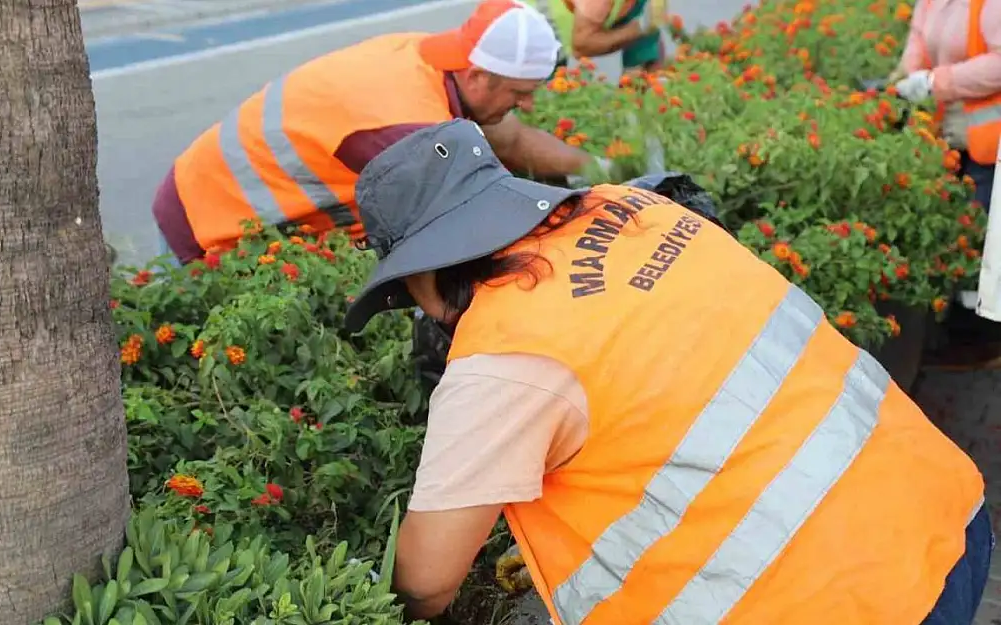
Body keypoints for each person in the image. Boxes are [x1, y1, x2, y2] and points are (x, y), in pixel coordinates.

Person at [343, 119, 992, 625]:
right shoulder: (634, 210)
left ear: (422, 268)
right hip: (941, 517)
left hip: (830, 601)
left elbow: (428, 579)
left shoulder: (502, 353)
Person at [151, 0, 600, 267]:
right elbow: (470, 222)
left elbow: (513, 140)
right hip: (208, 227)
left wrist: (602, 171)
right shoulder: (409, 125)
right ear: (480, 76)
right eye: (520, 94)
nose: (527, 106)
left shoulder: (432, 59)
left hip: (214, 197)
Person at [892, 0, 1001, 369]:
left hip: (991, 142)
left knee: (983, 245)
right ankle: (969, 337)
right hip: (952, 138)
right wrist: (910, 76)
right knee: (963, 239)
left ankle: (985, 342)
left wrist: (936, 82)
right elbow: (918, 40)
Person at [525, 0, 667, 75]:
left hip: (545, 47)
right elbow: (582, 46)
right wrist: (640, 28)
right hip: (523, 42)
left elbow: (646, 47)